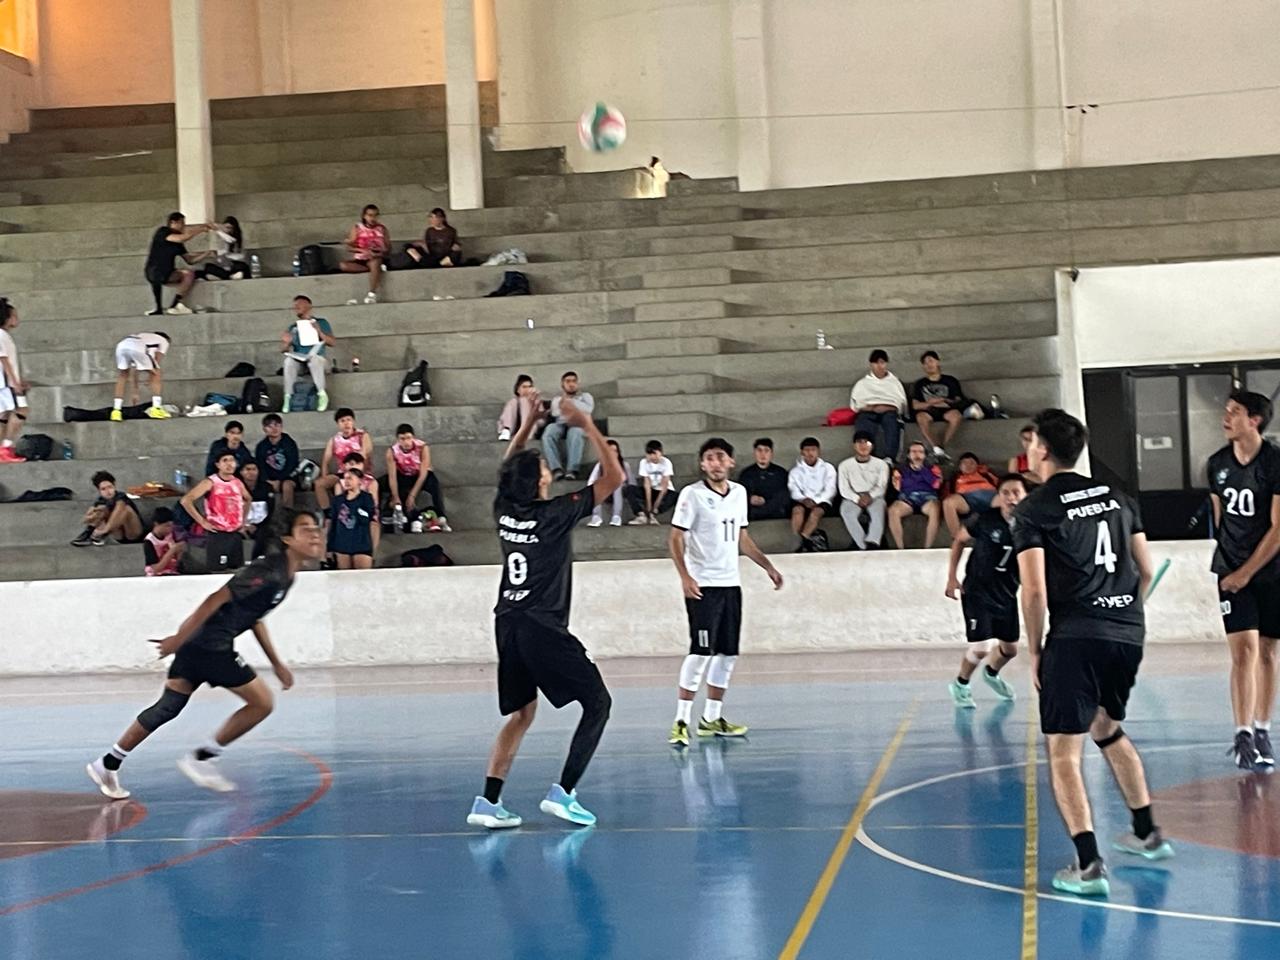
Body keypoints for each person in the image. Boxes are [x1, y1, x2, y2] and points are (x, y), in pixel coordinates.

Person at [1014, 409, 1172, 898]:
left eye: (1033, 441)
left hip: (1075, 636)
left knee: (1063, 750)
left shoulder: (1035, 509)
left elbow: (1034, 591)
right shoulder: (1119, 497)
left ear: (1041, 448)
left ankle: (1088, 865)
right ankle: (1147, 834)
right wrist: (1123, 616)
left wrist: (1036, 649)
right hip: (1127, 631)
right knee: (1106, 726)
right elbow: (1145, 569)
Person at [467, 389, 625, 831]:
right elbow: (612, 479)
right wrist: (586, 424)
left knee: (523, 713)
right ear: (539, 480)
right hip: (541, 624)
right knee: (598, 703)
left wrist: (525, 427)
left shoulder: (504, 509)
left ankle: (488, 801)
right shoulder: (555, 513)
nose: (546, 468)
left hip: (508, 621)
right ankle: (564, 793)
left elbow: (506, 469)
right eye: (541, 465)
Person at [86, 509, 325, 800]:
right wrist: (177, 639)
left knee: (167, 707)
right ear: (288, 538)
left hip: (198, 645)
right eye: (305, 528)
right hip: (212, 646)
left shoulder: (287, 576)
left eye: (316, 528)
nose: (315, 534)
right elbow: (216, 598)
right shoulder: (268, 571)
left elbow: (253, 616)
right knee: (262, 703)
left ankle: (108, 763)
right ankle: (202, 758)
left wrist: (277, 664)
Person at [667, 437, 784, 747]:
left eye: (721, 457)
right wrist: (685, 575)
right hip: (703, 585)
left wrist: (767, 566)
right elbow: (675, 538)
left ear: (731, 462)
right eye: (710, 458)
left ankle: (711, 718)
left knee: (727, 653)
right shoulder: (692, 495)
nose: (716, 463)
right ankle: (681, 720)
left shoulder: (740, 493)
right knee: (700, 651)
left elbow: (741, 538)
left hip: (731, 584)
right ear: (703, 464)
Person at [1206, 390, 1280, 770]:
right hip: (1230, 570)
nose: (1226, 416)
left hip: (1270, 570)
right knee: (1244, 651)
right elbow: (1219, 521)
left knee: (1267, 651)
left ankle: (1263, 728)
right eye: (1227, 410)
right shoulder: (1217, 464)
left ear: (1255, 420)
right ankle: (1243, 734)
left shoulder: (1275, 462)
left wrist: (1246, 572)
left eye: (1235, 412)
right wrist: (1228, 569)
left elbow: (1278, 528)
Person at [945, 473, 1028, 707]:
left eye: (1016, 493)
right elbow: (959, 541)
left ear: (1025, 496)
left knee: (1010, 649)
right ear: (999, 497)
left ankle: (991, 674)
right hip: (977, 591)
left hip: (1007, 593)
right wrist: (952, 577)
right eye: (1006, 493)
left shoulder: (1031, 525)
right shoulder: (984, 519)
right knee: (982, 647)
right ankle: (961, 684)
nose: (1011, 498)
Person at [182, 451, 252, 570]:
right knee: (218, 570)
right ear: (218, 464)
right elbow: (186, 500)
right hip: (218, 533)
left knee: (237, 570)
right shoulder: (210, 482)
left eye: (232, 460)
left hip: (235, 533)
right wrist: (202, 522)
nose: (229, 464)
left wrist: (243, 521)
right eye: (225, 460)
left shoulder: (237, 482)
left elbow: (248, 498)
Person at [144, 211, 213, 316]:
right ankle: (174, 305)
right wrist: (201, 229)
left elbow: (190, 260)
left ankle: (170, 306)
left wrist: (206, 254)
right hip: (154, 270)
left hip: (167, 272)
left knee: (190, 274)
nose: (183, 227)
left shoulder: (178, 244)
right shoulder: (163, 232)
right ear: (173, 222)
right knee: (188, 274)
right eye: (182, 224)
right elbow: (183, 237)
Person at [384, 423, 449, 532]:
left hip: (420, 475)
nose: (406, 442)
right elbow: (392, 476)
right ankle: (400, 518)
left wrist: (412, 495)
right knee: (387, 487)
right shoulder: (391, 452)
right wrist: (395, 496)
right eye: (402, 439)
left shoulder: (423, 447)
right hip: (403, 475)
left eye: (409, 438)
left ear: (413, 437)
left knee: (434, 483)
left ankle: (441, 516)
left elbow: (423, 473)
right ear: (398, 440)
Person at [851, 349, 908, 462]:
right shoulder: (863, 383)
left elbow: (900, 403)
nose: (879, 366)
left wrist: (886, 407)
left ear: (886, 364)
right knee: (863, 422)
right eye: (876, 363)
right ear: (871, 364)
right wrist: (871, 408)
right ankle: (868, 455)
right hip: (868, 411)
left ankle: (890, 457)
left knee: (892, 422)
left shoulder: (894, 382)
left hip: (888, 411)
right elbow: (856, 404)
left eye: (882, 362)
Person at [281, 295, 335, 413]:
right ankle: (288, 397)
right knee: (288, 361)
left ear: (308, 306)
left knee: (314, 360)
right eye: (294, 306)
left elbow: (332, 342)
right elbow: (283, 350)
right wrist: (286, 343)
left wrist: (319, 332)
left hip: (318, 359)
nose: (295, 308)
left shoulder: (321, 322)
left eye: (298, 305)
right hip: (300, 362)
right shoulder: (293, 327)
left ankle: (321, 393)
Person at [911, 350, 967, 461]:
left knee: (956, 416)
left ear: (937, 362)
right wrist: (932, 402)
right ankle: (936, 448)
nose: (929, 365)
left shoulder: (950, 380)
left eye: (931, 361)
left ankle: (941, 447)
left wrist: (943, 400)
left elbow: (958, 399)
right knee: (921, 417)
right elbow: (916, 405)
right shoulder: (919, 384)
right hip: (929, 410)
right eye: (925, 363)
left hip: (947, 409)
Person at [838, 431, 889, 550]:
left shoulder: (881, 465)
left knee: (879, 511)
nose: (863, 446)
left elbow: (881, 486)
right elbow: (844, 488)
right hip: (852, 497)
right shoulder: (844, 465)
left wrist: (870, 496)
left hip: (874, 497)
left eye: (867, 442)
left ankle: (873, 541)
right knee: (847, 512)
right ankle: (863, 545)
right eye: (859, 442)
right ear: (854, 446)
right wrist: (856, 498)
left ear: (872, 446)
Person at [316, 408, 374, 511]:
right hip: (342, 473)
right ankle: (328, 513)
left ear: (353, 421)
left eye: (349, 420)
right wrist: (325, 478)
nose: (346, 423)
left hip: (359, 472)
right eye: (342, 421)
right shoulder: (334, 440)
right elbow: (325, 461)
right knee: (319, 484)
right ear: (338, 424)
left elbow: (364, 456)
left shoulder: (363, 436)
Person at [542, 371, 596, 481]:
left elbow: (588, 409)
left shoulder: (586, 396)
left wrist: (569, 402)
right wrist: (572, 407)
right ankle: (556, 468)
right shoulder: (557, 399)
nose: (571, 384)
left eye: (574, 381)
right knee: (549, 431)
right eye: (568, 381)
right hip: (560, 424)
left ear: (578, 384)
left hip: (578, 424)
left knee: (575, 432)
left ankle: (572, 470)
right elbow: (555, 413)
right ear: (563, 385)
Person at [888, 442, 943, 549]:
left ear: (925, 455)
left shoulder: (934, 469)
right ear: (908, 455)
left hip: (928, 498)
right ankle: (900, 548)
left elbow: (936, 485)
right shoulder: (900, 470)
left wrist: (922, 470)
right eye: (913, 452)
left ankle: (928, 547)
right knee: (893, 510)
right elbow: (897, 487)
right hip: (907, 498)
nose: (917, 454)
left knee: (935, 508)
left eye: (920, 452)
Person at [788, 437, 837, 552]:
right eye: (807, 450)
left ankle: (804, 541)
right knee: (797, 512)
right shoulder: (795, 471)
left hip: (823, 501)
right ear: (802, 452)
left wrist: (816, 500)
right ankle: (798, 541)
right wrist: (803, 499)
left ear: (818, 451)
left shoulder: (828, 468)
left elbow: (830, 489)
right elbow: (793, 490)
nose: (810, 453)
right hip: (802, 501)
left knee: (816, 513)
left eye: (813, 450)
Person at [72, 471, 145, 546]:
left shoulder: (121, 496)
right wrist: (92, 516)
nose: (108, 491)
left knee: (125, 508)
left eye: (110, 487)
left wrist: (104, 530)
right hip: (118, 535)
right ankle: (88, 533)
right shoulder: (100, 501)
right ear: (99, 490)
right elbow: (85, 519)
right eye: (103, 489)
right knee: (101, 509)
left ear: (114, 486)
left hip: (134, 533)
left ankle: (104, 532)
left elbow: (120, 506)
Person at [110, 332, 172, 421]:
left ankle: (116, 411)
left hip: (122, 345)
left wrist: (135, 390)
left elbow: (136, 368)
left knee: (123, 375)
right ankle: (156, 408)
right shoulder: (164, 341)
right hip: (137, 346)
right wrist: (151, 377)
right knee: (157, 373)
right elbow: (156, 362)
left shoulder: (145, 338)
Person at [340, 204, 390, 305]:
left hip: (376, 256)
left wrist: (378, 252)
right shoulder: (357, 228)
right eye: (370, 215)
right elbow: (349, 247)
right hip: (361, 258)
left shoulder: (382, 229)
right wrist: (362, 250)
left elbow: (388, 248)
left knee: (375, 262)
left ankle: (372, 293)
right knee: (343, 265)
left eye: (375, 215)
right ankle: (375, 271)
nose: (372, 218)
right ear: (364, 216)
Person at [942, 453, 1000, 538]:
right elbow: (947, 494)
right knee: (948, 502)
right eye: (964, 463)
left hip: (990, 498)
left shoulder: (986, 474)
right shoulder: (954, 478)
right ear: (960, 466)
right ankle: (957, 539)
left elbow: (1001, 485)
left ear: (977, 465)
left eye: (971, 463)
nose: (968, 465)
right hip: (967, 500)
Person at [329, 467, 376, 570]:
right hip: (341, 544)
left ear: (359, 480)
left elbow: (368, 519)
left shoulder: (366, 498)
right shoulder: (337, 500)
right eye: (345, 478)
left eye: (350, 478)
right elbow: (333, 524)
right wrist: (330, 547)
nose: (347, 481)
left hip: (361, 543)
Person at [736, 438, 791, 522]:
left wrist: (766, 500)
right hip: (753, 513)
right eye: (759, 450)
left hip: (776, 513)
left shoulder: (781, 473)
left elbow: (784, 496)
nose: (763, 454)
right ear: (754, 452)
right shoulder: (746, 473)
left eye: (766, 451)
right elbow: (740, 494)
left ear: (771, 453)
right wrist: (750, 498)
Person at [0, 297, 27, 463]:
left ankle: (3, 450)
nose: (17, 319)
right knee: (22, 410)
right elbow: (3, 359)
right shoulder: (1, 335)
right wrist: (14, 382)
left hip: (6, 382)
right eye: (14, 316)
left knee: (3, 415)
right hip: (5, 383)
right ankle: (6, 447)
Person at [627, 439, 676, 525]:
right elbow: (647, 485)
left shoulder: (666, 463)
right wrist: (648, 506)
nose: (652, 457)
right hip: (650, 490)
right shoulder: (644, 462)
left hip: (663, 492)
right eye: (649, 454)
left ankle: (654, 514)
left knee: (675, 496)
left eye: (655, 453)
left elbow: (664, 487)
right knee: (629, 489)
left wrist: (655, 507)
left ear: (661, 453)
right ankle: (641, 515)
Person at [255, 414, 300, 508]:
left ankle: (287, 512)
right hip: (269, 479)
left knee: (287, 485)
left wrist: (280, 480)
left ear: (281, 427)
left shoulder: (289, 443)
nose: (274, 429)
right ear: (264, 429)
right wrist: (268, 480)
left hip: (288, 477)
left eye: (277, 425)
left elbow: (292, 464)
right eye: (270, 426)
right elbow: (260, 466)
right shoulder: (261, 446)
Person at [587, 439, 633, 527]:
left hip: (620, 491)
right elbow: (591, 481)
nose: (613, 454)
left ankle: (616, 516)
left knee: (617, 485)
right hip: (605, 492)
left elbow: (631, 482)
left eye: (615, 451)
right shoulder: (600, 465)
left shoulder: (624, 465)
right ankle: (596, 517)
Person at [238, 461, 276, 559]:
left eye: (254, 469)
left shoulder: (267, 488)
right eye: (248, 469)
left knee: (265, 533)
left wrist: (256, 525)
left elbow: (270, 510)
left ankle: (256, 560)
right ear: (241, 472)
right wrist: (244, 525)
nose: (251, 472)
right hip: (240, 525)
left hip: (261, 525)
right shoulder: (235, 488)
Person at [200, 216, 251, 281]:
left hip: (235, 265)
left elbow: (232, 241)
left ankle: (228, 276)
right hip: (224, 267)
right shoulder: (220, 238)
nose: (228, 230)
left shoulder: (237, 239)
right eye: (226, 227)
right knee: (208, 267)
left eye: (230, 228)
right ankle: (227, 276)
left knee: (241, 267)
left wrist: (216, 230)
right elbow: (219, 257)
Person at [143, 507, 184, 577]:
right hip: (156, 575)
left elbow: (178, 561)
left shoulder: (172, 535)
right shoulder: (149, 541)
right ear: (156, 524)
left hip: (173, 573)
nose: (170, 529)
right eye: (167, 526)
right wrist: (172, 551)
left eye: (171, 526)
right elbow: (156, 569)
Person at [498, 374, 541, 442]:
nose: (527, 389)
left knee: (524, 401)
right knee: (514, 401)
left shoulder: (537, 400)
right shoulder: (513, 402)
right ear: (518, 390)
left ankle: (522, 433)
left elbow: (541, 419)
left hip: (531, 428)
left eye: (529, 387)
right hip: (514, 427)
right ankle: (506, 429)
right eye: (524, 387)